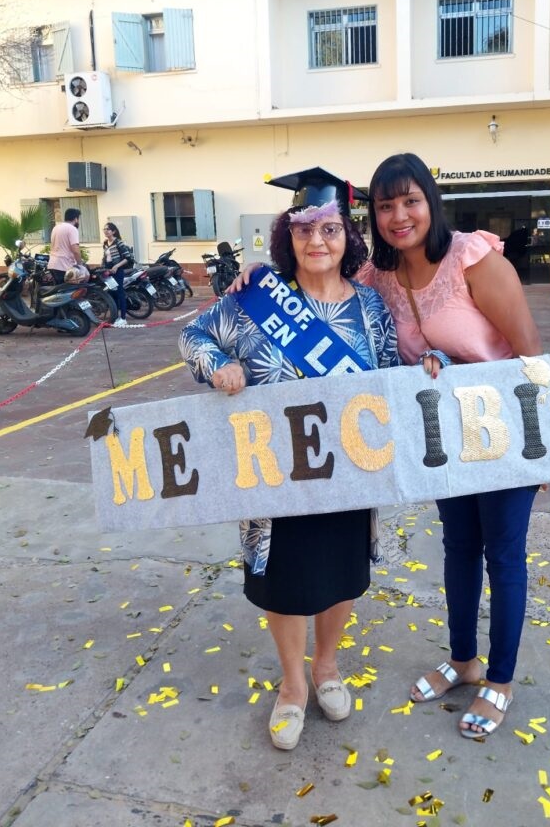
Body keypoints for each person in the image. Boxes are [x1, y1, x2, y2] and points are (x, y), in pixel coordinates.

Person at [178, 168, 400, 751]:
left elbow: (393, 377)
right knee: (282, 582)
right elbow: (194, 338)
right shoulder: (255, 299)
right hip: (273, 476)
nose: (317, 241)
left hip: (349, 476)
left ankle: (327, 666)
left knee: (340, 575)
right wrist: (216, 367)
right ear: (288, 238)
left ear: (348, 237)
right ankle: (294, 683)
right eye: (304, 231)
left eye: (329, 229)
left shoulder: (372, 307)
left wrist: (433, 370)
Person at [362, 152, 543, 740]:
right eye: (385, 205)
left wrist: (540, 445)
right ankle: (464, 661)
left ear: (431, 202)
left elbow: (528, 351)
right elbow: (319, 289)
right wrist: (255, 278)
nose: (398, 215)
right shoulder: (380, 278)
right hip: (444, 437)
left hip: (505, 433)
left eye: (409, 200)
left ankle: (502, 679)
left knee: (503, 554)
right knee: (459, 547)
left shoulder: (471, 256)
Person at [102, 222, 132, 327]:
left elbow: (127, 258)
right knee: (112, 294)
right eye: (104, 229)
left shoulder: (119, 243)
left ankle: (123, 318)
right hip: (108, 272)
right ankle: (115, 317)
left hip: (118, 272)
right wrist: (103, 268)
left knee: (120, 293)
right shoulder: (105, 243)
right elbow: (105, 257)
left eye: (108, 229)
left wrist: (116, 266)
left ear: (113, 231)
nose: (105, 231)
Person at [48, 208, 82, 284]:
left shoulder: (56, 228)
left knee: (58, 290)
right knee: (68, 292)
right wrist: (81, 266)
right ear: (76, 219)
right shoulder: (72, 229)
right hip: (64, 265)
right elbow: (76, 250)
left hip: (52, 264)